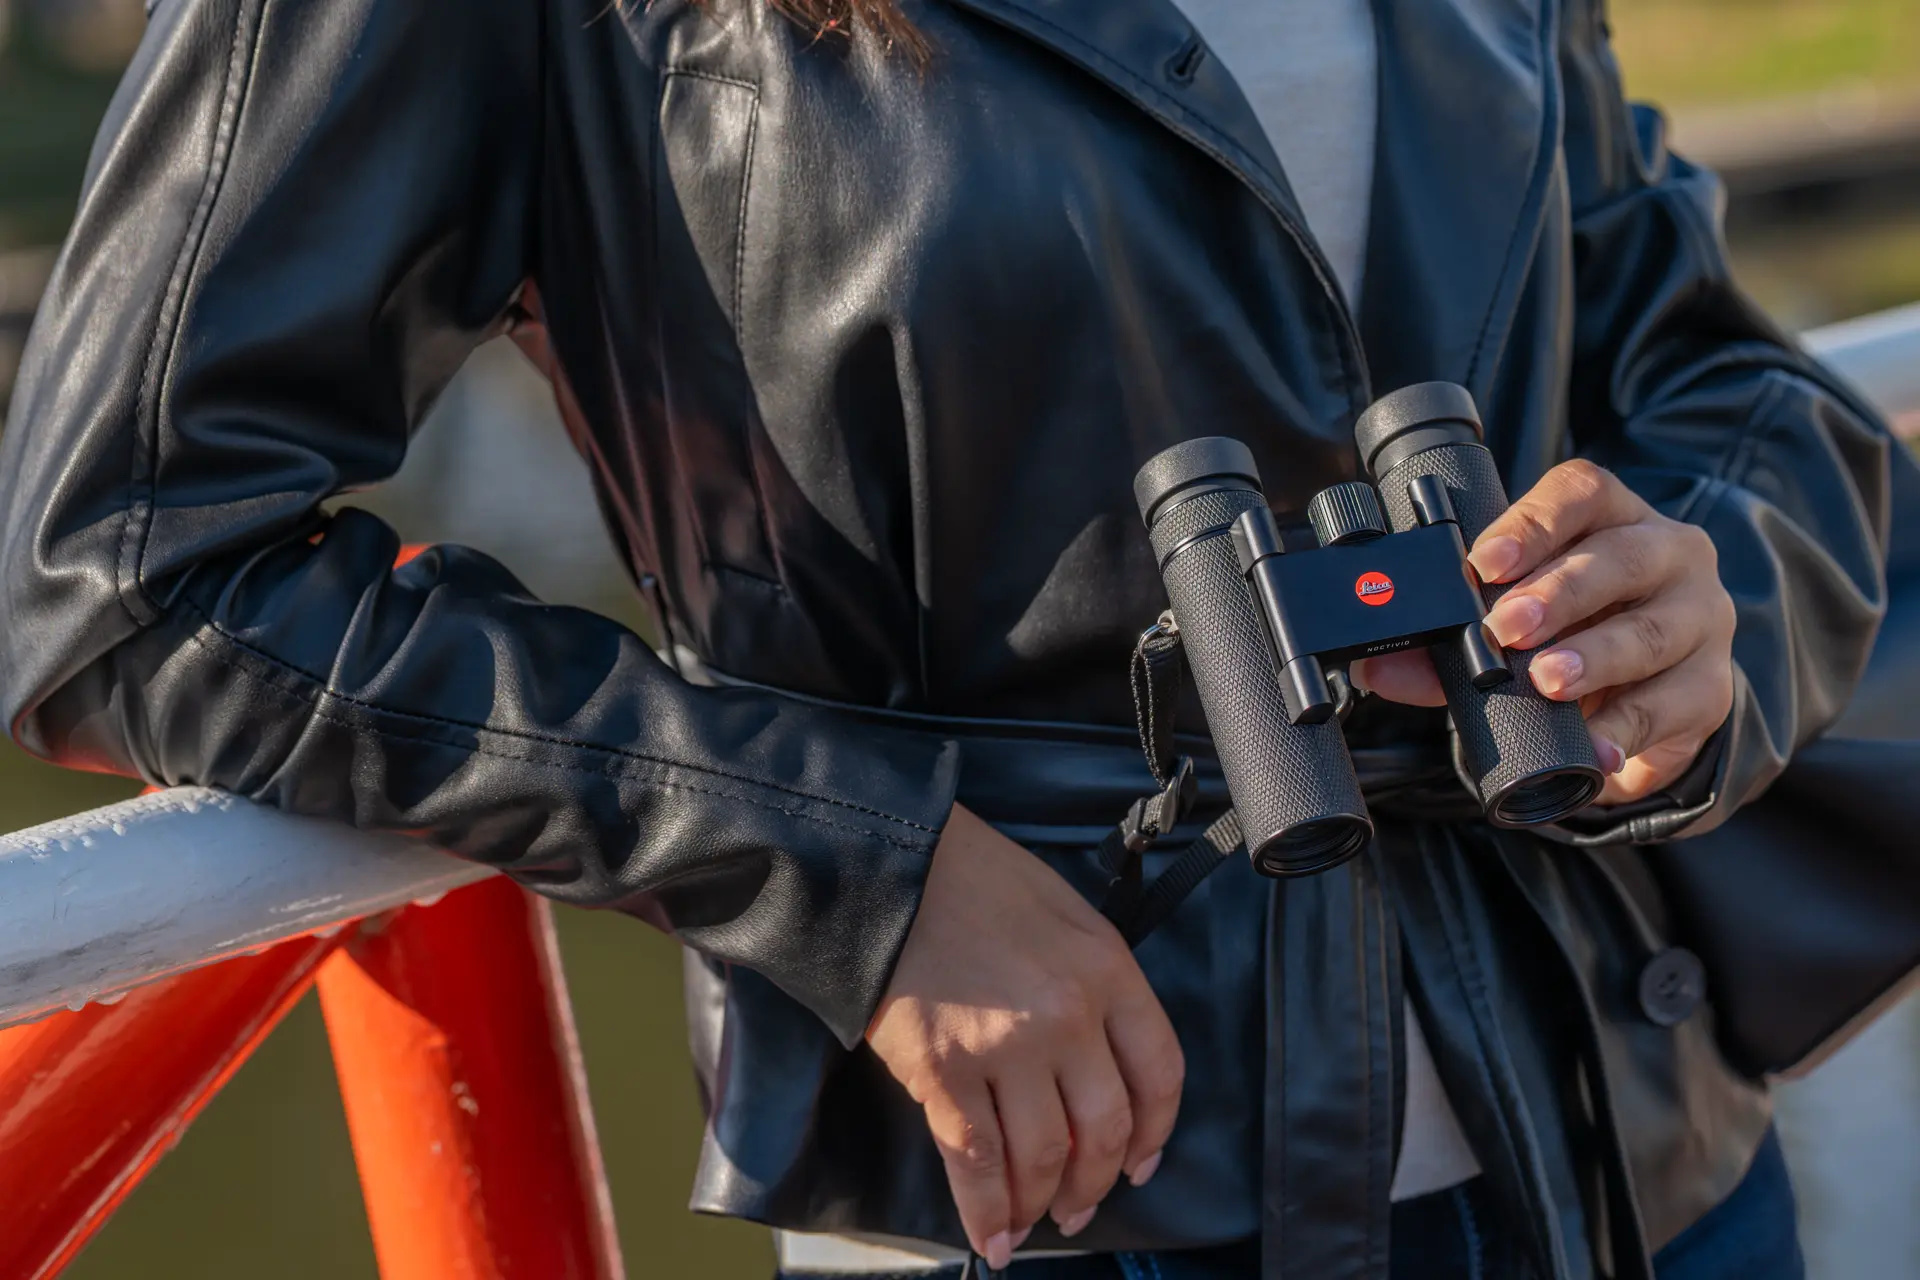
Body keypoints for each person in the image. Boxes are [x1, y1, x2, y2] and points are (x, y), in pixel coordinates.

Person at [0, 0, 1892, 1276]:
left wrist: (1697, 593)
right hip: (1069, 1179)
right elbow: (128, 562)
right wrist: (845, 858)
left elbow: (1710, 367)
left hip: (1630, 1132)